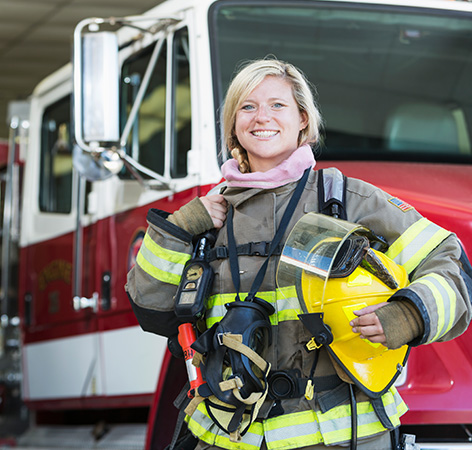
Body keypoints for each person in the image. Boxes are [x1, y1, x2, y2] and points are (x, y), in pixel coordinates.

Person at [126, 59, 472, 450]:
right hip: (227, 437)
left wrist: (410, 314)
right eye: (247, 106)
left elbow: (450, 263)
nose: (262, 118)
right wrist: (176, 229)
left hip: (342, 438)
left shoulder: (346, 199)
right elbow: (152, 310)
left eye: (278, 105)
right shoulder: (207, 215)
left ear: (303, 120)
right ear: (233, 124)